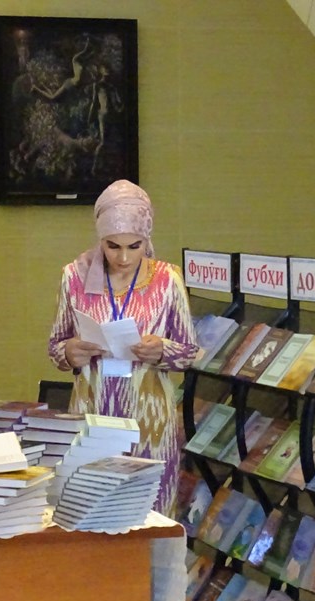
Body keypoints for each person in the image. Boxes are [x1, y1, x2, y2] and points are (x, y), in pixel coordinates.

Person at [48, 179, 198, 516]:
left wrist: (162, 349)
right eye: (113, 246)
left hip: (151, 422)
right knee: (89, 514)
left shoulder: (167, 280)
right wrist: (70, 351)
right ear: (100, 238)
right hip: (92, 415)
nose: (124, 257)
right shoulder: (74, 276)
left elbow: (189, 351)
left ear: (147, 238)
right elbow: (56, 346)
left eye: (135, 245)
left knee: (151, 519)